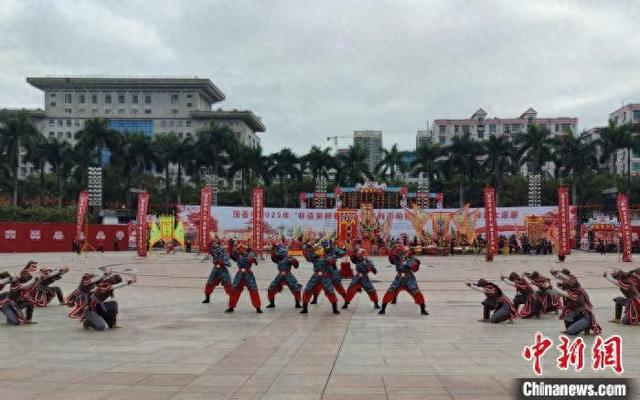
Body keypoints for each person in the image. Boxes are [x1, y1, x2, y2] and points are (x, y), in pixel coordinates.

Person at [378, 245, 428, 315]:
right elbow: (391, 259)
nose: (403, 254)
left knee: (416, 291)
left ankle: (423, 309)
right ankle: (383, 309)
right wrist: (388, 252)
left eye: (405, 252)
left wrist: (407, 262)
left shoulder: (411, 258)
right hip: (399, 277)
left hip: (409, 278)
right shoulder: (396, 257)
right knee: (391, 290)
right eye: (402, 252)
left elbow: (415, 268)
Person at [550, 269, 601, 335]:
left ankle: (586, 325)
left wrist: (552, 287)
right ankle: (570, 328)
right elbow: (563, 284)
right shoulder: (571, 286)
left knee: (571, 331)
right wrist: (556, 274)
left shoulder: (575, 291)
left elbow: (562, 291)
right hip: (575, 312)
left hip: (584, 315)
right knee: (567, 311)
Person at [300, 242, 340, 314]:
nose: (317, 250)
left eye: (318, 249)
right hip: (315, 276)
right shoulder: (314, 258)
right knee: (308, 289)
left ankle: (335, 309)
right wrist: (308, 246)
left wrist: (333, 262)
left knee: (330, 291)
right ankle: (305, 308)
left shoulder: (327, 258)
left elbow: (333, 267)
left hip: (325, 277)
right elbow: (307, 255)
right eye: (316, 249)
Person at [226, 242, 262, 313]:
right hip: (239, 275)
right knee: (234, 290)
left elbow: (253, 259)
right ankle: (231, 307)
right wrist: (230, 245)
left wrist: (250, 258)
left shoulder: (250, 253)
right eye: (240, 249)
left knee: (253, 290)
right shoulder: (238, 255)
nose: (241, 250)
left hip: (249, 274)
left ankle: (258, 307)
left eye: (242, 248)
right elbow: (231, 254)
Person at [266, 244, 302, 308]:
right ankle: (272, 303)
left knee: (296, 288)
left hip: (288, 275)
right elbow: (273, 256)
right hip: (280, 276)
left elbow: (296, 266)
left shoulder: (289, 258)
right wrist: (273, 248)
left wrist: (295, 261)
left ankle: (297, 303)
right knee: (271, 288)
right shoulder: (278, 259)